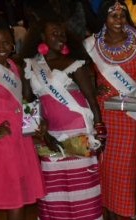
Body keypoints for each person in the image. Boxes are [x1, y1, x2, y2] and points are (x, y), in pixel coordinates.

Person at [20, 16, 104, 219]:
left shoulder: (75, 63)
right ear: (42, 36)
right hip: (50, 137)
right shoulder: (31, 66)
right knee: (54, 192)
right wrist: (39, 131)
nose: (60, 37)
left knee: (83, 189)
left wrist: (101, 133)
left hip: (79, 134)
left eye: (62, 33)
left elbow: (92, 100)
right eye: (54, 33)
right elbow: (28, 104)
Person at [83, 1, 136, 218]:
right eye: (113, 16)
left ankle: (125, 213)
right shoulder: (92, 44)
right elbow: (82, 76)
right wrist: (94, 87)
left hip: (130, 115)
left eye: (122, 16)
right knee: (106, 172)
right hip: (103, 115)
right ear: (104, 17)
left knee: (126, 171)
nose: (119, 21)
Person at [0, 20, 45, 220]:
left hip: (20, 136)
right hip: (2, 138)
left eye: (6, 43)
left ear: (13, 43)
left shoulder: (13, 65)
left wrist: (33, 126)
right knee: (14, 197)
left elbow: (23, 99)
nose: (2, 48)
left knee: (19, 192)